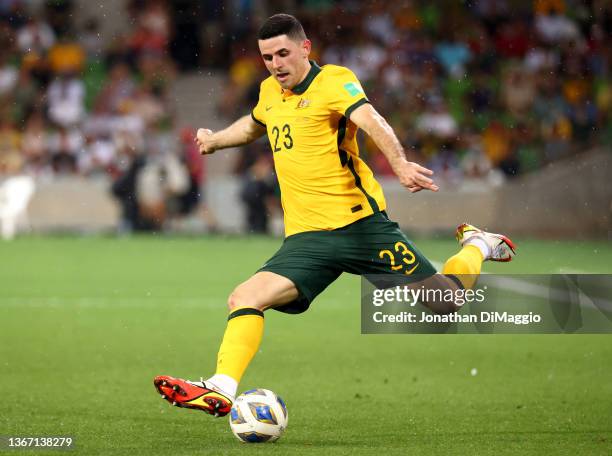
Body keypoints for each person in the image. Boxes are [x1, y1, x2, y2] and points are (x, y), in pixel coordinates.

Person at [154, 14, 516, 417]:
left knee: (445, 301)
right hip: (307, 240)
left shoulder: (334, 81)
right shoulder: (270, 92)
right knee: (244, 297)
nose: (275, 64)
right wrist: (216, 140)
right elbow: (256, 124)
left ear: (305, 48)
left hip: (361, 227)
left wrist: (398, 163)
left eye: (283, 53)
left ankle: (477, 243)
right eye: (267, 57)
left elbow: (370, 120)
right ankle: (221, 387)